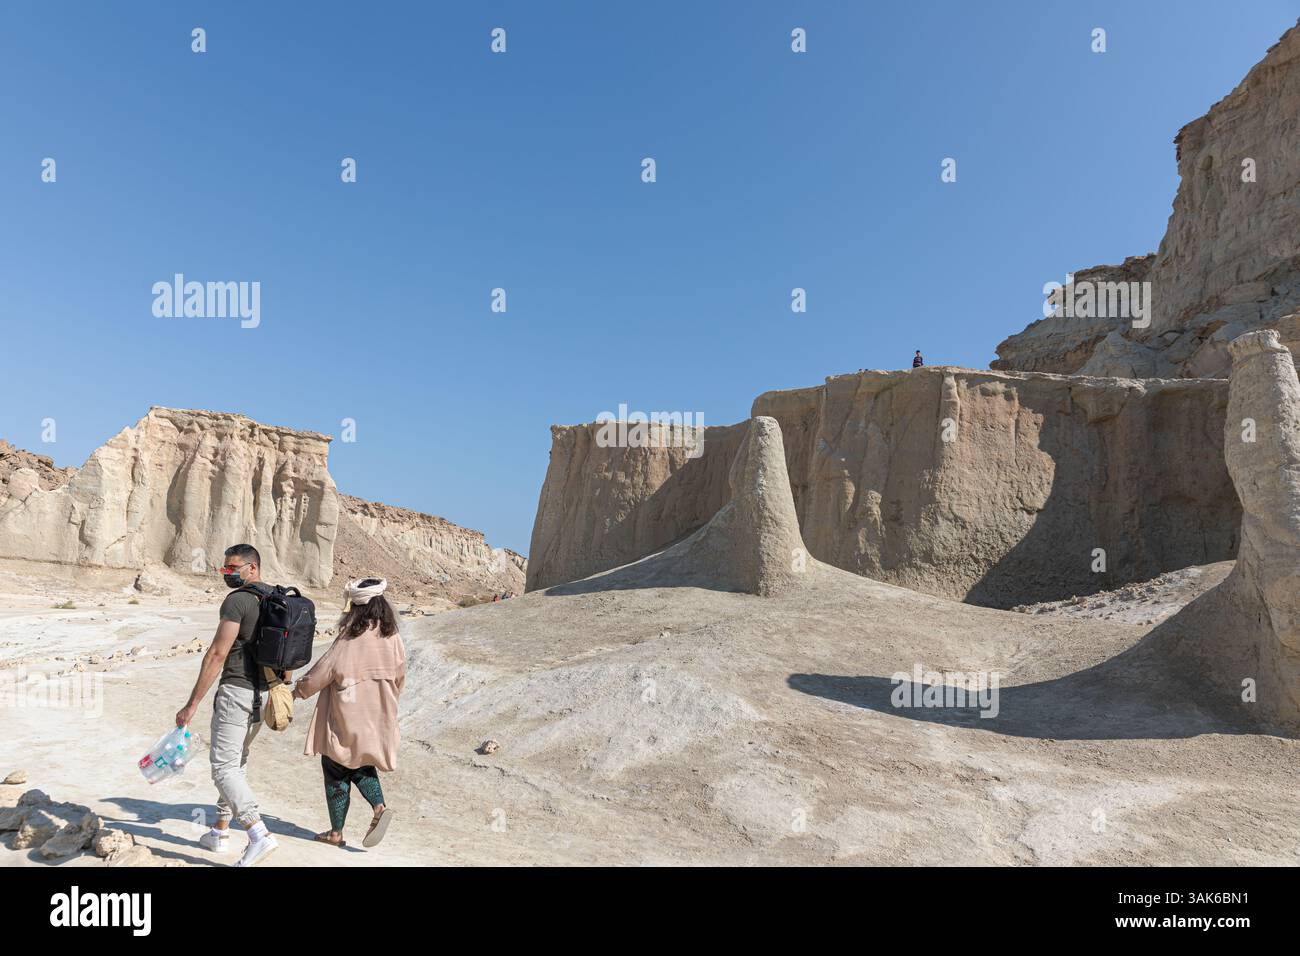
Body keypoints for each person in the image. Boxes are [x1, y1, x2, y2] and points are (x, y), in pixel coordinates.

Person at [175, 543, 283, 867]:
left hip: (236, 693)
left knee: (223, 768)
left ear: (252, 568)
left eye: (232, 569)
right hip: (263, 697)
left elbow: (217, 654)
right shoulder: (278, 599)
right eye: (224, 569)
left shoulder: (238, 601)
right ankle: (220, 830)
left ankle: (258, 833)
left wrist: (191, 704)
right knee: (236, 764)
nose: (226, 574)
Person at [292, 577, 406, 849]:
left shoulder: (350, 637)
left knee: (336, 763)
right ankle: (376, 807)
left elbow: (324, 671)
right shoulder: (393, 636)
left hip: (347, 712)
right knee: (359, 760)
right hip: (380, 711)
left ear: (356, 607)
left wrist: (297, 692)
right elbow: (400, 676)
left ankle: (339, 831)